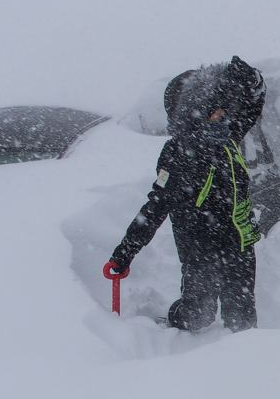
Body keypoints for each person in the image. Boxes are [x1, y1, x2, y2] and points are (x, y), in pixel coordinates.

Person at [105, 56, 267, 331]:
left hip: (237, 242)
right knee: (196, 315)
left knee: (242, 318)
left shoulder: (227, 136)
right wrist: (124, 254)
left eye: (222, 109)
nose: (223, 114)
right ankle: (175, 324)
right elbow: (155, 207)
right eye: (215, 110)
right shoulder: (178, 154)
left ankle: (244, 361)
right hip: (198, 246)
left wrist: (250, 78)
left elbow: (253, 104)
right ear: (195, 112)